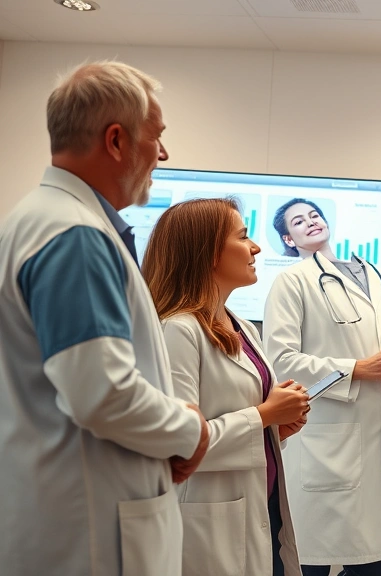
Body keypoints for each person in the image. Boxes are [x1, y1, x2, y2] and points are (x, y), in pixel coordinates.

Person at [0, 61, 210, 575]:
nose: (162, 154)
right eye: (155, 138)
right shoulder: (74, 236)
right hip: (92, 536)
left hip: (71, 517)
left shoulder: (38, 220)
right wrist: (191, 431)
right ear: (116, 141)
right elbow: (102, 394)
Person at [263, 195, 381, 576]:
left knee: (376, 566)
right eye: (299, 221)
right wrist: (355, 369)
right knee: (310, 562)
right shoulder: (292, 282)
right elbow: (281, 360)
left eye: (314, 215)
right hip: (325, 446)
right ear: (289, 240)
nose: (311, 222)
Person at [143, 197, 308, 576]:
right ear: (208, 252)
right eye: (244, 236)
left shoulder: (241, 326)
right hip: (210, 523)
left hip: (260, 508)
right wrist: (265, 414)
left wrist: (275, 427)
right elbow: (176, 447)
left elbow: (234, 416)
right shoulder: (178, 330)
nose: (256, 247)